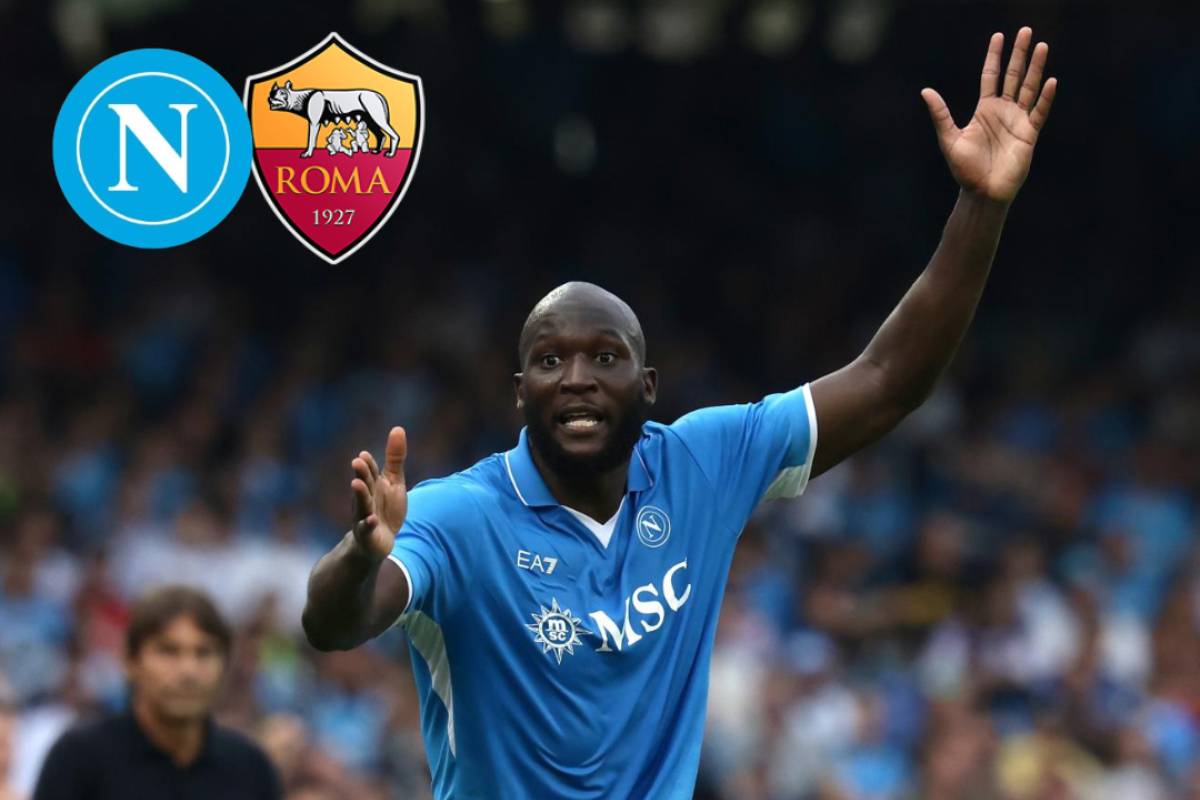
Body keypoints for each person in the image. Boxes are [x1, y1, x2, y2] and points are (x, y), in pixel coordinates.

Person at [302, 26, 1057, 799]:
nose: (577, 379)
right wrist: (359, 557)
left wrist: (980, 206)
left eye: (605, 358)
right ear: (520, 392)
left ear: (649, 385)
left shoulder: (701, 465)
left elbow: (889, 379)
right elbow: (332, 625)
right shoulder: (461, 517)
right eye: (550, 361)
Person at [32, 585, 281, 800]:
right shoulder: (79, 759)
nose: (188, 671)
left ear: (224, 666)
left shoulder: (251, 768)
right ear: (130, 662)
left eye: (204, 653)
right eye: (168, 651)